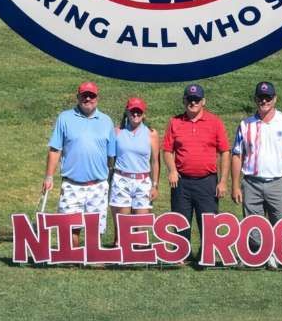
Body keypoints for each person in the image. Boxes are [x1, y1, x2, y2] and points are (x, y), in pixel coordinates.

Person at [231, 81, 282, 267]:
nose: (264, 101)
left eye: (268, 98)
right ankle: (256, 257)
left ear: (275, 99)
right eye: (260, 98)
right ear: (255, 99)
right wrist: (236, 185)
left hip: (278, 182)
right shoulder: (245, 124)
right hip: (252, 182)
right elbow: (237, 155)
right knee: (253, 227)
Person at [42, 80, 116, 248]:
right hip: (72, 184)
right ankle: (73, 257)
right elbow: (55, 149)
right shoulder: (65, 118)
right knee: (70, 227)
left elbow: (111, 157)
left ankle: (93, 257)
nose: (88, 99)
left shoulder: (106, 121)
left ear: (97, 98)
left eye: (91, 95)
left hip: (97, 184)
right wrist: (48, 177)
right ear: (78, 97)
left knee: (95, 228)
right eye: (84, 95)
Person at [162, 83, 230, 262]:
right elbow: (167, 150)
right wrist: (172, 170)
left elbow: (224, 152)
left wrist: (223, 181)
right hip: (181, 181)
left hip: (207, 181)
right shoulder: (175, 122)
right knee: (180, 219)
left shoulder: (215, 122)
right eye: (189, 99)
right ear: (184, 101)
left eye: (196, 100)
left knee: (208, 221)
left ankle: (206, 254)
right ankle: (181, 254)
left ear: (203, 101)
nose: (193, 103)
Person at [109, 96, 160, 246]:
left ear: (144, 114)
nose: (135, 115)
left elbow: (155, 161)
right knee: (121, 229)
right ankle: (118, 257)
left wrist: (155, 185)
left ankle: (138, 257)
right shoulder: (117, 132)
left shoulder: (151, 133)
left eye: (139, 112)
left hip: (143, 181)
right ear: (127, 112)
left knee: (141, 229)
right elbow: (110, 158)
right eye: (133, 111)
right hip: (121, 179)